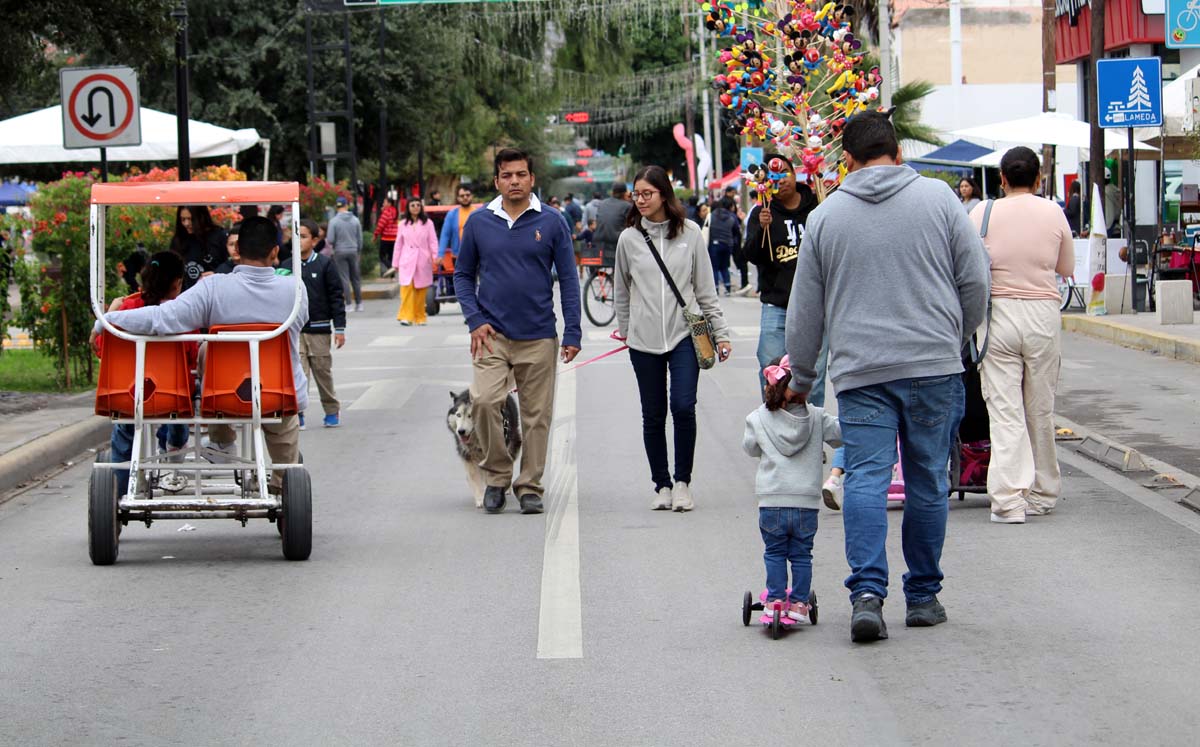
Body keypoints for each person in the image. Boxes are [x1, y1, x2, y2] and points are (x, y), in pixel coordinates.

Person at [785, 110, 989, 642]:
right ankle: (922, 597)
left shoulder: (826, 217)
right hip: (934, 367)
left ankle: (867, 595)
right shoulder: (942, 199)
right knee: (926, 479)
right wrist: (954, 336)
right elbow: (976, 283)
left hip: (862, 374)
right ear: (898, 152)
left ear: (846, 161)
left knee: (867, 479)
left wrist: (802, 376)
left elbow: (805, 311)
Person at [103, 216, 310, 491]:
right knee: (284, 420)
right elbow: (302, 322)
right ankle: (284, 479)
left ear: (237, 250)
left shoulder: (213, 288)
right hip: (278, 394)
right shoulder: (295, 290)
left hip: (224, 396)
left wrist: (109, 319)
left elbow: (163, 318)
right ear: (274, 251)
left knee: (207, 348)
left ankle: (222, 438)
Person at [454, 148, 582, 515]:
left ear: (532, 178)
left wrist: (572, 331)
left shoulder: (553, 222)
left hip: (539, 334)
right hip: (491, 335)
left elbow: (569, 280)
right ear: (497, 181)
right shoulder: (479, 223)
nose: (514, 181)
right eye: (507, 175)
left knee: (536, 415)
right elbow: (463, 275)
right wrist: (475, 320)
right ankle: (497, 475)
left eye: (521, 174)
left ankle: (530, 485)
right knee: (483, 401)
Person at [614, 165, 732, 512]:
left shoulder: (691, 233)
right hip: (643, 340)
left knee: (683, 406)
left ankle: (682, 482)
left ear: (664, 194)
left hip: (684, 335)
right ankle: (661, 484)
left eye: (647, 193)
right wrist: (626, 331)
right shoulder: (629, 239)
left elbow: (705, 290)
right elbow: (621, 291)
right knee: (653, 414)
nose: (641, 200)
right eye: (637, 194)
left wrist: (721, 334)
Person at [968, 146, 1073, 524]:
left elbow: (966, 267)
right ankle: (1043, 492)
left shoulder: (982, 211)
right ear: (1039, 179)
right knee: (1040, 408)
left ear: (1002, 179)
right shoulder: (1053, 212)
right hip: (1042, 314)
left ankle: (1010, 499)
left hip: (997, 314)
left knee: (1005, 410)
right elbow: (1066, 266)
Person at [743, 355, 842, 623]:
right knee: (801, 554)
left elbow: (750, 448)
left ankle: (775, 599)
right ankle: (799, 603)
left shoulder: (757, 418)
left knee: (774, 552)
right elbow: (841, 436)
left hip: (772, 501)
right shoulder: (819, 418)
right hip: (806, 504)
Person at [95, 252, 195, 493]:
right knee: (185, 401)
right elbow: (191, 355)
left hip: (130, 392)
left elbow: (102, 349)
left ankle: (119, 489)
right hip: (173, 394)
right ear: (177, 283)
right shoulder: (183, 312)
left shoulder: (126, 307)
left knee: (125, 429)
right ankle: (173, 442)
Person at [297, 219, 346, 430]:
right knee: (297, 373)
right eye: (296, 235)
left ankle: (331, 410)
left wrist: (340, 328)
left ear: (315, 240)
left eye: (304, 236)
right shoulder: (287, 265)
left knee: (322, 372)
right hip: (295, 330)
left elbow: (336, 296)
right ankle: (297, 413)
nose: (298, 240)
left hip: (319, 329)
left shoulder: (325, 264)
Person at [392, 197, 438, 326]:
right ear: (408, 208)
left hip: (422, 259)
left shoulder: (428, 223)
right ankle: (406, 316)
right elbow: (398, 244)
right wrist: (395, 263)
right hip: (406, 259)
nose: (416, 207)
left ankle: (420, 316)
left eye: (418, 205)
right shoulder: (402, 224)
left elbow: (433, 241)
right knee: (406, 288)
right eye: (413, 205)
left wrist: (435, 257)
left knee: (421, 289)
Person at [168, 205, 229, 290]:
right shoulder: (179, 240)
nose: (186, 223)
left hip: (215, 292)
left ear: (201, 217)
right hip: (187, 295)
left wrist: (218, 273)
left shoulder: (219, 236)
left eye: (190, 219)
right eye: (183, 219)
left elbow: (232, 263)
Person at [326, 195, 364, 312]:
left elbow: (330, 239)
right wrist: (358, 251)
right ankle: (359, 303)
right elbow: (360, 239)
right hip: (353, 250)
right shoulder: (355, 220)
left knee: (344, 278)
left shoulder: (333, 221)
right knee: (356, 278)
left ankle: (348, 304)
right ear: (347, 205)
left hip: (339, 251)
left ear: (337, 207)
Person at [438, 185, 476, 298]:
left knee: (474, 278)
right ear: (458, 198)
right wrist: (440, 254)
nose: (465, 198)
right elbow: (445, 235)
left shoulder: (478, 213)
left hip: (476, 254)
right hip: (458, 254)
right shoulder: (452, 214)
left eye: (467, 195)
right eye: (462, 196)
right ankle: (465, 298)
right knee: (463, 279)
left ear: (472, 196)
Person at [707, 197, 742, 296]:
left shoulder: (711, 216)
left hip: (714, 244)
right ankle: (727, 288)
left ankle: (716, 288)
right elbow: (736, 230)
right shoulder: (731, 217)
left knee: (714, 267)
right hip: (727, 244)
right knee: (725, 266)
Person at [592, 181, 633, 266]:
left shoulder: (602, 203)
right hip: (616, 240)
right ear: (625, 193)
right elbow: (632, 224)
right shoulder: (627, 206)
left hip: (599, 240)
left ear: (613, 192)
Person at [375, 196, 399, 278]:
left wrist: (375, 235)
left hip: (386, 238)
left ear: (389, 203)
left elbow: (381, 225)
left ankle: (391, 268)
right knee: (391, 256)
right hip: (394, 238)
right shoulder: (395, 211)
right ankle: (392, 276)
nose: (383, 204)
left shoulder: (386, 212)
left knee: (382, 256)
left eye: (384, 202)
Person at [1104, 166, 1123, 237]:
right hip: (1116, 227)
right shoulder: (1115, 189)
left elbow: (1109, 214)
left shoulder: (1105, 192)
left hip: (1109, 228)